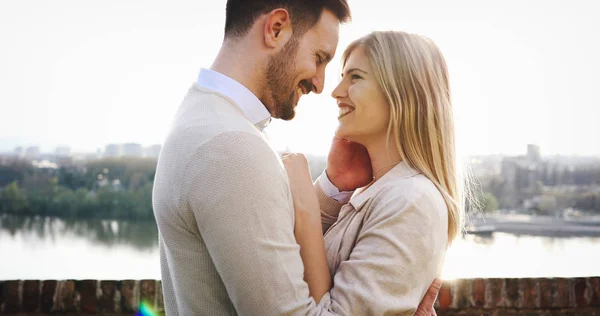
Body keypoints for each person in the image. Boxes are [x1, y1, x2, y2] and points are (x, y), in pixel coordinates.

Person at [152, 0, 441, 314]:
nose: (321, 85)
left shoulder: (201, 119)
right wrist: (304, 205)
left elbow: (278, 251)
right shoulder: (231, 146)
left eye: (353, 77)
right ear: (276, 29)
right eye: (319, 58)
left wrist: (327, 191)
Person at [282, 30, 464, 315]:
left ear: (402, 92)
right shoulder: (381, 191)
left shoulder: (410, 201)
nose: (336, 91)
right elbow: (290, 259)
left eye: (355, 77)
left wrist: (304, 204)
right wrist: (332, 187)